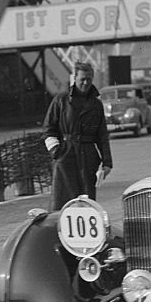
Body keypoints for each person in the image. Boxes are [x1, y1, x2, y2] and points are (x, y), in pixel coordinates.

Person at [42, 61, 112, 210]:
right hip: (65, 157)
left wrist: (107, 163)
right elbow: (49, 128)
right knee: (61, 202)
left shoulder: (96, 105)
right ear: (75, 78)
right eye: (82, 79)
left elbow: (102, 136)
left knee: (87, 201)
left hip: (88, 157)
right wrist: (56, 151)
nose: (86, 83)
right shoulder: (61, 101)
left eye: (89, 79)